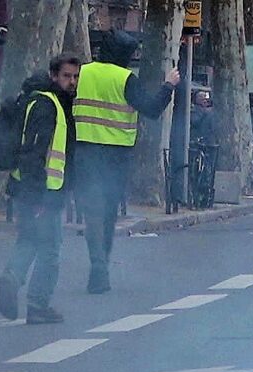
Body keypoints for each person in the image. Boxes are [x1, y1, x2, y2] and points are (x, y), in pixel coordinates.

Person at [74, 30, 180, 294]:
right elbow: (153, 109)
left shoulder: (82, 73)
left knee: (92, 214)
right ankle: (101, 267)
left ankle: (96, 262)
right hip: (115, 156)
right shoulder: (125, 79)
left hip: (84, 151)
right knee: (108, 214)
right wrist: (168, 85)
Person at [0, 56, 80, 324]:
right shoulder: (48, 105)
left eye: (75, 76)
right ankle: (37, 305)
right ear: (53, 76)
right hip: (43, 192)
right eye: (67, 76)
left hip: (28, 188)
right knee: (50, 251)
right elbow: (35, 154)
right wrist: (40, 196)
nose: (72, 82)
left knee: (29, 240)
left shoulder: (39, 101)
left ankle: (11, 277)